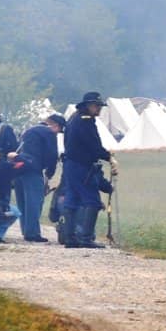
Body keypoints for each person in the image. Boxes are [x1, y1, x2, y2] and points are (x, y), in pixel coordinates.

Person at [59, 91, 116, 249]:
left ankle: (70, 238)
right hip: (82, 166)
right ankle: (86, 238)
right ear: (87, 106)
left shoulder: (74, 119)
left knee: (72, 200)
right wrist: (109, 157)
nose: (98, 109)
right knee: (92, 201)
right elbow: (94, 146)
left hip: (71, 165)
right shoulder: (85, 122)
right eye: (96, 105)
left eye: (99, 106)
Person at [14, 113, 65, 243]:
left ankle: (25, 230)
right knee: (34, 202)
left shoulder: (29, 130)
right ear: (56, 125)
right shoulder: (48, 133)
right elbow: (52, 155)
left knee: (22, 202)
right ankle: (32, 233)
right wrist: (50, 173)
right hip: (33, 169)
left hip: (18, 168)